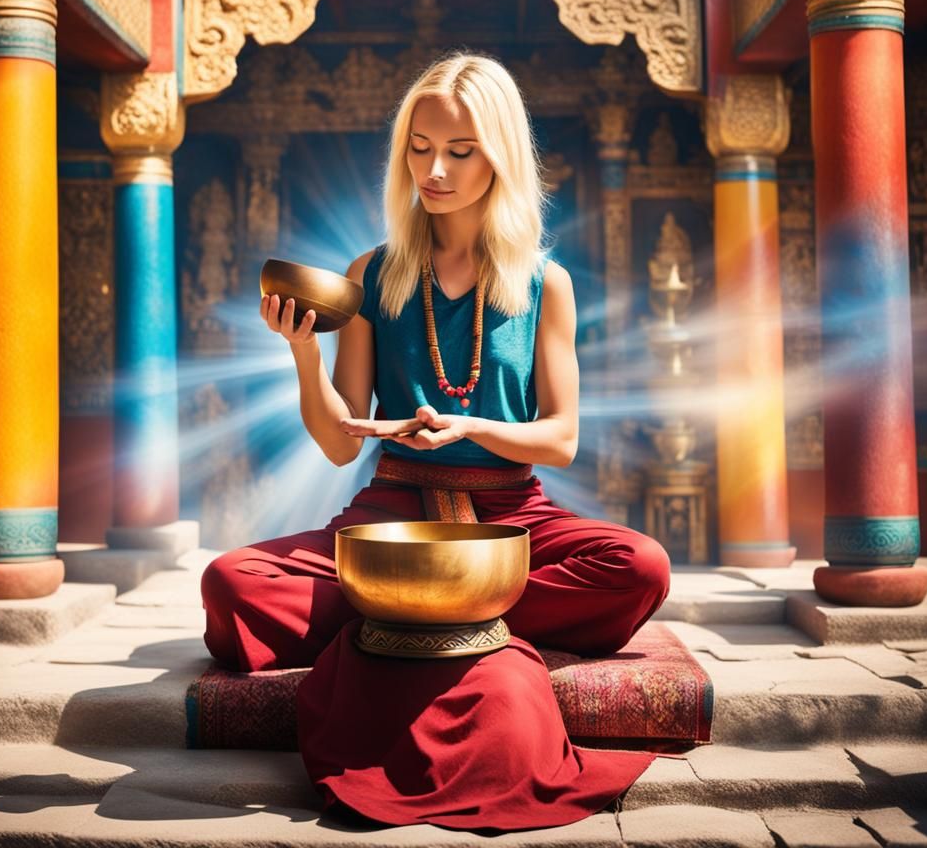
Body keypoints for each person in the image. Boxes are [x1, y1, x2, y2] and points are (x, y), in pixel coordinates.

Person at [200, 52, 671, 832]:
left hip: (511, 519)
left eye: (460, 151)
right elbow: (339, 442)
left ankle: (408, 617)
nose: (436, 170)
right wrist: (303, 353)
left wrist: (473, 426)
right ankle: (446, 610)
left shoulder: (544, 284)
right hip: (390, 522)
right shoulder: (373, 274)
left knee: (640, 567)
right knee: (232, 583)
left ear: (501, 157)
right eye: (420, 149)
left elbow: (561, 439)